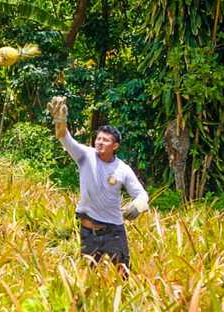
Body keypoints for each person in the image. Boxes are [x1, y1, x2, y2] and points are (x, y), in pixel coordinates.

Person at [47, 96, 149, 273]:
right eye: (98, 139)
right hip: (89, 233)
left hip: (114, 232)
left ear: (115, 146)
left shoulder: (122, 169)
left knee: (123, 276)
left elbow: (142, 194)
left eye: (106, 140)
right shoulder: (85, 156)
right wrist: (60, 121)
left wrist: (137, 206)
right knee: (88, 277)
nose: (100, 142)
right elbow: (64, 138)